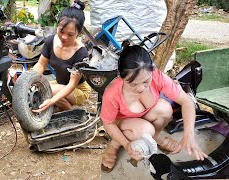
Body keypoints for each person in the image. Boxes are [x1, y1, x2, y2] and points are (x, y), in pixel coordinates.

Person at [100, 42, 208, 172]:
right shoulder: (112, 92)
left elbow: (186, 101)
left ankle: (155, 137)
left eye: (146, 81)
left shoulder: (158, 76)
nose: (141, 88)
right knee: (146, 129)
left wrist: (188, 134)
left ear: (152, 71)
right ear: (122, 77)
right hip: (122, 123)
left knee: (165, 108)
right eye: (132, 84)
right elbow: (108, 124)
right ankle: (113, 145)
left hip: (144, 118)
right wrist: (126, 144)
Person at [32, 0, 91, 113]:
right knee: (35, 85)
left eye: (70, 34)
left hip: (77, 90)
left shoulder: (81, 53)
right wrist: (29, 79)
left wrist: (51, 100)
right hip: (59, 84)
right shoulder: (50, 41)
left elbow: (71, 85)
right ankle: (60, 107)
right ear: (57, 26)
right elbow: (40, 64)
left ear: (78, 33)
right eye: (61, 31)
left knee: (48, 89)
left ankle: (72, 112)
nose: (64, 37)